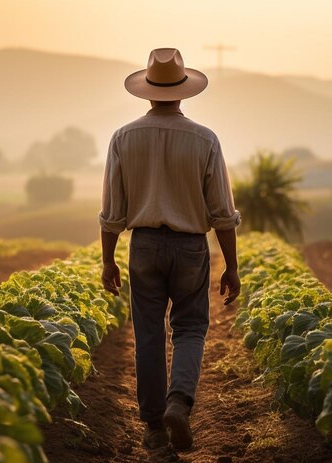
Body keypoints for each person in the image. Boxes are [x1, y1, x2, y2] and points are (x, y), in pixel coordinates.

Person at [98, 48, 241, 451]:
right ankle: (178, 401)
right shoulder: (205, 139)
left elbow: (112, 212)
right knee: (191, 328)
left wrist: (108, 260)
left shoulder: (123, 137)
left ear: (146, 92)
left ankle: (154, 430)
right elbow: (222, 214)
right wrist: (231, 266)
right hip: (191, 247)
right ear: (184, 92)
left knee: (147, 333)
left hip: (143, 245)